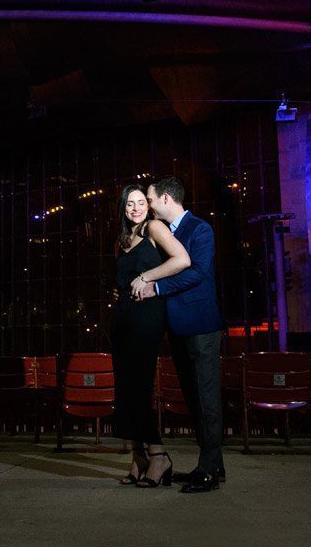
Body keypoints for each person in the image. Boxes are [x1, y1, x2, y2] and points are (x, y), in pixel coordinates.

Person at [136, 176, 225, 493]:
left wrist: (156, 286)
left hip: (201, 325)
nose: (146, 204)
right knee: (193, 396)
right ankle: (213, 465)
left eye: (149, 198)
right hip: (178, 326)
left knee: (207, 397)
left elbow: (198, 273)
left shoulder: (200, 229)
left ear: (164, 199)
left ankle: (209, 470)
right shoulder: (163, 235)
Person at [109, 184, 190, 487]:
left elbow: (181, 260)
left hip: (147, 316)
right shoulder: (121, 239)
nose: (136, 208)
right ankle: (138, 456)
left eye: (141, 202)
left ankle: (159, 456)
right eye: (129, 204)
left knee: (139, 386)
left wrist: (146, 276)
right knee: (125, 388)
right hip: (122, 318)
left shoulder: (154, 228)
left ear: (148, 205)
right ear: (123, 208)